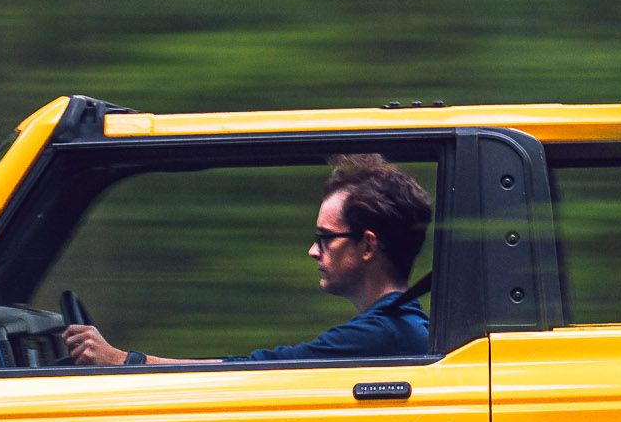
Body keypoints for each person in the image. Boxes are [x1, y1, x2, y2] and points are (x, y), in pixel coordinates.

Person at [60, 152, 434, 367]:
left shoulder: (382, 335)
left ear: (368, 247)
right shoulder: (397, 329)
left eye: (325, 238)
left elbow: (253, 372)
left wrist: (123, 361)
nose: (313, 250)